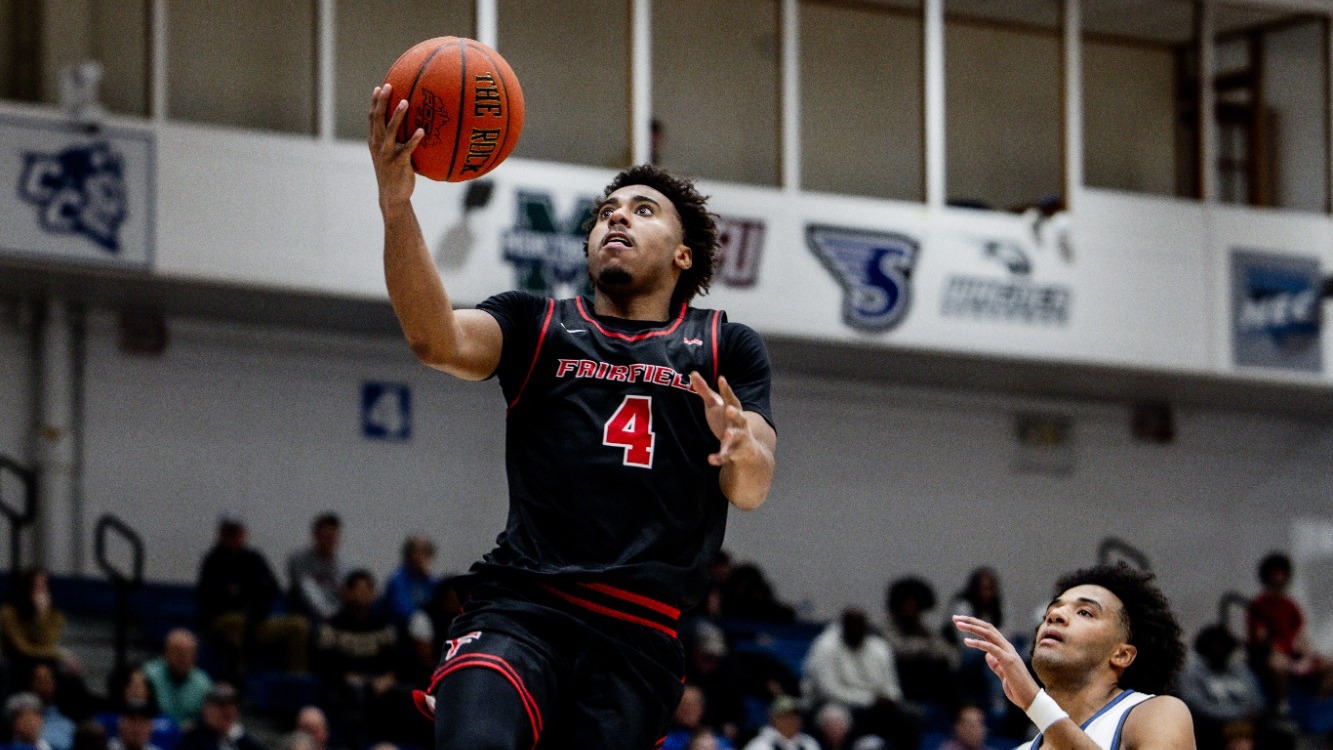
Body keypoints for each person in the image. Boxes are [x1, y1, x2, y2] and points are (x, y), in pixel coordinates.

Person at [369, 82, 777, 750]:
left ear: (683, 254)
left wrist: (740, 446)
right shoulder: (537, 324)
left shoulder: (723, 345)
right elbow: (435, 340)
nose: (616, 219)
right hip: (520, 606)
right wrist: (396, 205)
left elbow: (751, 488)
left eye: (642, 210)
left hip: (636, 637)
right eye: (605, 212)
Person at [953, 563, 1193, 750]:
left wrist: (1035, 702)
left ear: (1121, 654)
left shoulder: (1157, 713)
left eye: (1085, 612)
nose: (1054, 616)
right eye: (1051, 610)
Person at [196, 517, 309, 680]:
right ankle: (237, 679)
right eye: (229, 533)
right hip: (222, 621)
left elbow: (272, 589)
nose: (234, 538)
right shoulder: (212, 561)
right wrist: (248, 592)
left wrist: (244, 593)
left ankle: (296, 681)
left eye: (237, 533)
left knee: (298, 625)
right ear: (221, 535)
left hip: (256, 620)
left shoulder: (254, 558)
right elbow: (210, 599)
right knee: (236, 622)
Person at [802, 609, 920, 750]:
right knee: (834, 720)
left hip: (875, 707)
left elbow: (891, 685)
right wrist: (870, 701)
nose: (856, 630)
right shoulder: (825, 646)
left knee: (912, 715)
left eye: (860, 626)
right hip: (832, 703)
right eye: (852, 627)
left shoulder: (880, 647)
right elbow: (828, 690)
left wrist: (891, 699)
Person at [313, 570, 399, 749]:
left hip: (379, 684)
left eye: (368, 590)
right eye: (359, 590)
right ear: (347, 592)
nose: (363, 594)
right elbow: (325, 663)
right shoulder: (333, 625)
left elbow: (396, 661)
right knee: (354, 696)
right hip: (345, 686)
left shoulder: (382, 626)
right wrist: (351, 678)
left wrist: (388, 679)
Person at [1245, 551, 1333, 718]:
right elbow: (1261, 638)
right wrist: (1281, 656)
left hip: (1292, 655)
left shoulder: (1289, 605)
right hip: (1270, 656)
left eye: (1281, 573)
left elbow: (1301, 634)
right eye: (1275, 573)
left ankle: (1318, 704)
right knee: (1277, 665)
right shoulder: (1259, 605)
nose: (1279, 578)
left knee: (1330, 664)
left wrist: (1307, 657)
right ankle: (1283, 705)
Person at [1177, 625, 1263, 750]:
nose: (1219, 650)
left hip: (1245, 723)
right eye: (1216, 646)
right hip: (1211, 725)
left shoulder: (1241, 670)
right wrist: (1234, 714)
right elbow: (1196, 705)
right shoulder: (1191, 672)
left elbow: (1257, 700)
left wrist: (1246, 715)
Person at [142, 630, 212, 727]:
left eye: (188, 653)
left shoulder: (203, 683)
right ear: (166, 652)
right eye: (178, 652)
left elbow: (208, 719)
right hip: (154, 731)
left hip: (189, 734)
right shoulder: (148, 675)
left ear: (195, 656)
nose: (183, 658)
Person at [287, 514, 345, 624]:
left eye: (332, 536)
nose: (329, 540)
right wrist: (328, 613)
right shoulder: (299, 560)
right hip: (308, 613)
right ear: (315, 536)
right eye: (326, 536)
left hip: (339, 613)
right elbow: (306, 590)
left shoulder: (344, 566)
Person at [175, 685, 265, 750]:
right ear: (206, 711)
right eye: (221, 706)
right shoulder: (194, 737)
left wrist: (240, 737)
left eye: (232, 706)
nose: (228, 712)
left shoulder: (237, 733)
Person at [379, 536, 438, 630]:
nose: (420, 557)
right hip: (401, 629)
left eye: (425, 553)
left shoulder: (431, 580)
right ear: (407, 555)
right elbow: (404, 611)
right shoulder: (397, 580)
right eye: (417, 552)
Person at [741, 695, 820, 750]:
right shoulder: (759, 746)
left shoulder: (809, 743)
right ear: (773, 719)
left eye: (795, 716)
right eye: (785, 717)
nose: (791, 721)